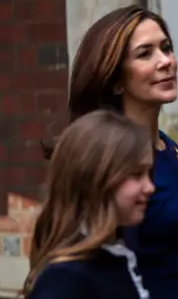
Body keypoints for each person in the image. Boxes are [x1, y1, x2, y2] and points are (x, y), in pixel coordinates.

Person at [43, 5, 178, 299]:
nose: (166, 61)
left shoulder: (168, 147)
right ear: (116, 80)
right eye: (145, 53)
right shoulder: (99, 157)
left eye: (166, 48)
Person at [25, 110, 155, 299]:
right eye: (136, 174)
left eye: (149, 174)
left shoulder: (114, 259)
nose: (150, 187)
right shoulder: (65, 278)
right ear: (95, 179)